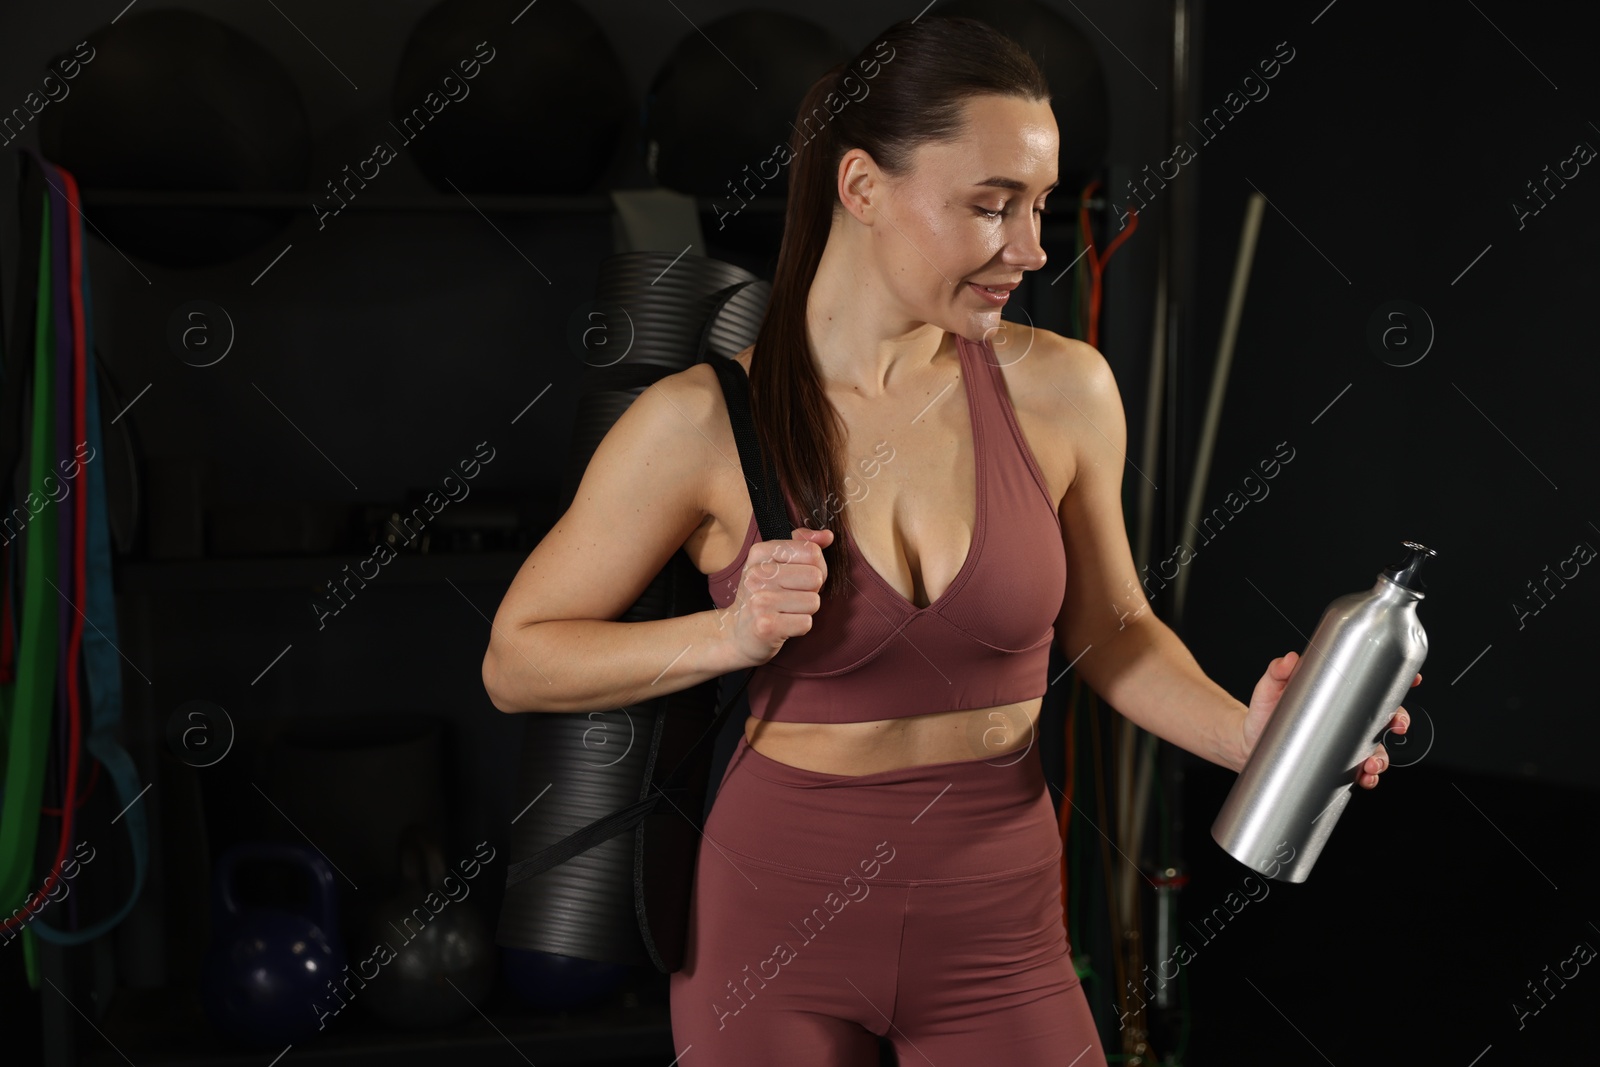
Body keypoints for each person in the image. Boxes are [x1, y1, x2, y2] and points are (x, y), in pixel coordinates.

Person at [482, 14, 1412, 1066]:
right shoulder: (701, 422)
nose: (1032, 248)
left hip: (998, 917)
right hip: (775, 913)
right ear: (862, 187)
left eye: (1040, 206)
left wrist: (1252, 741)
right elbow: (518, 657)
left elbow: (1111, 628)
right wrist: (726, 635)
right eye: (990, 205)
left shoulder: (1063, 388)